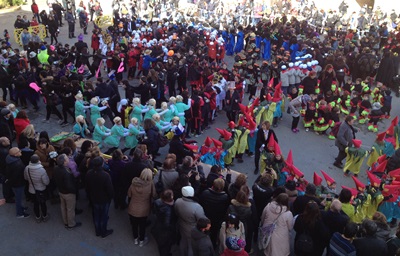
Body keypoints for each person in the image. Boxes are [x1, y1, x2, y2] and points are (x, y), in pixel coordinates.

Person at [85, 156, 114, 238]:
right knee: (104, 216)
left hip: (94, 198)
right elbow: (110, 189)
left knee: (96, 215)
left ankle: (98, 231)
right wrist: (110, 197)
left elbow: (87, 186)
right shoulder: (105, 175)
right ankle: (103, 231)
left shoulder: (89, 173)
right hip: (104, 199)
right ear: (102, 164)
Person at [127, 168, 156, 247]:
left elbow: (129, 194)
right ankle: (141, 241)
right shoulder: (150, 184)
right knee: (142, 226)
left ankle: (135, 239)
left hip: (132, 208)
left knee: (134, 225)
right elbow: (154, 195)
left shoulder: (134, 183)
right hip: (144, 209)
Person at [175, 185, 206, 256]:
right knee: (191, 246)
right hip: (192, 229)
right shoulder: (197, 207)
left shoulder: (178, 201)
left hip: (181, 225)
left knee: (183, 242)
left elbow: (176, 212)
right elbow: (202, 220)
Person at [200, 178, 230, 248]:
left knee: (205, 231)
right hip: (217, 219)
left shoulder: (205, 193)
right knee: (214, 233)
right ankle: (213, 245)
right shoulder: (225, 197)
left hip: (206, 216)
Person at [53, 154, 82, 229]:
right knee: (70, 209)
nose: (68, 159)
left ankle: (65, 222)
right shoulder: (66, 172)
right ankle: (71, 224)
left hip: (61, 191)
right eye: (67, 158)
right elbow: (69, 185)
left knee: (63, 207)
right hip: (68, 193)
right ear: (64, 162)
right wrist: (74, 191)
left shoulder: (56, 168)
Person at [24, 154, 50, 223]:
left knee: (35, 204)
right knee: (43, 204)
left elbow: (26, 178)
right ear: (38, 161)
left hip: (32, 190)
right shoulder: (42, 170)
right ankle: (45, 216)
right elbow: (46, 182)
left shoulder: (27, 168)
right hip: (41, 190)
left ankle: (37, 217)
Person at [5, 147, 29, 218]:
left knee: (18, 197)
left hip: (15, 183)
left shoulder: (9, 159)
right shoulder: (17, 164)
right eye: (19, 151)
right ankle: (20, 213)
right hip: (18, 184)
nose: (20, 151)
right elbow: (16, 176)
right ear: (15, 155)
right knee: (18, 199)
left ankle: (21, 208)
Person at [152, 189, 177, 256]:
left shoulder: (158, 201)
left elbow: (154, 211)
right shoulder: (168, 210)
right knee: (165, 246)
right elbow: (167, 224)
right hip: (165, 232)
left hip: (158, 225)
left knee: (161, 244)